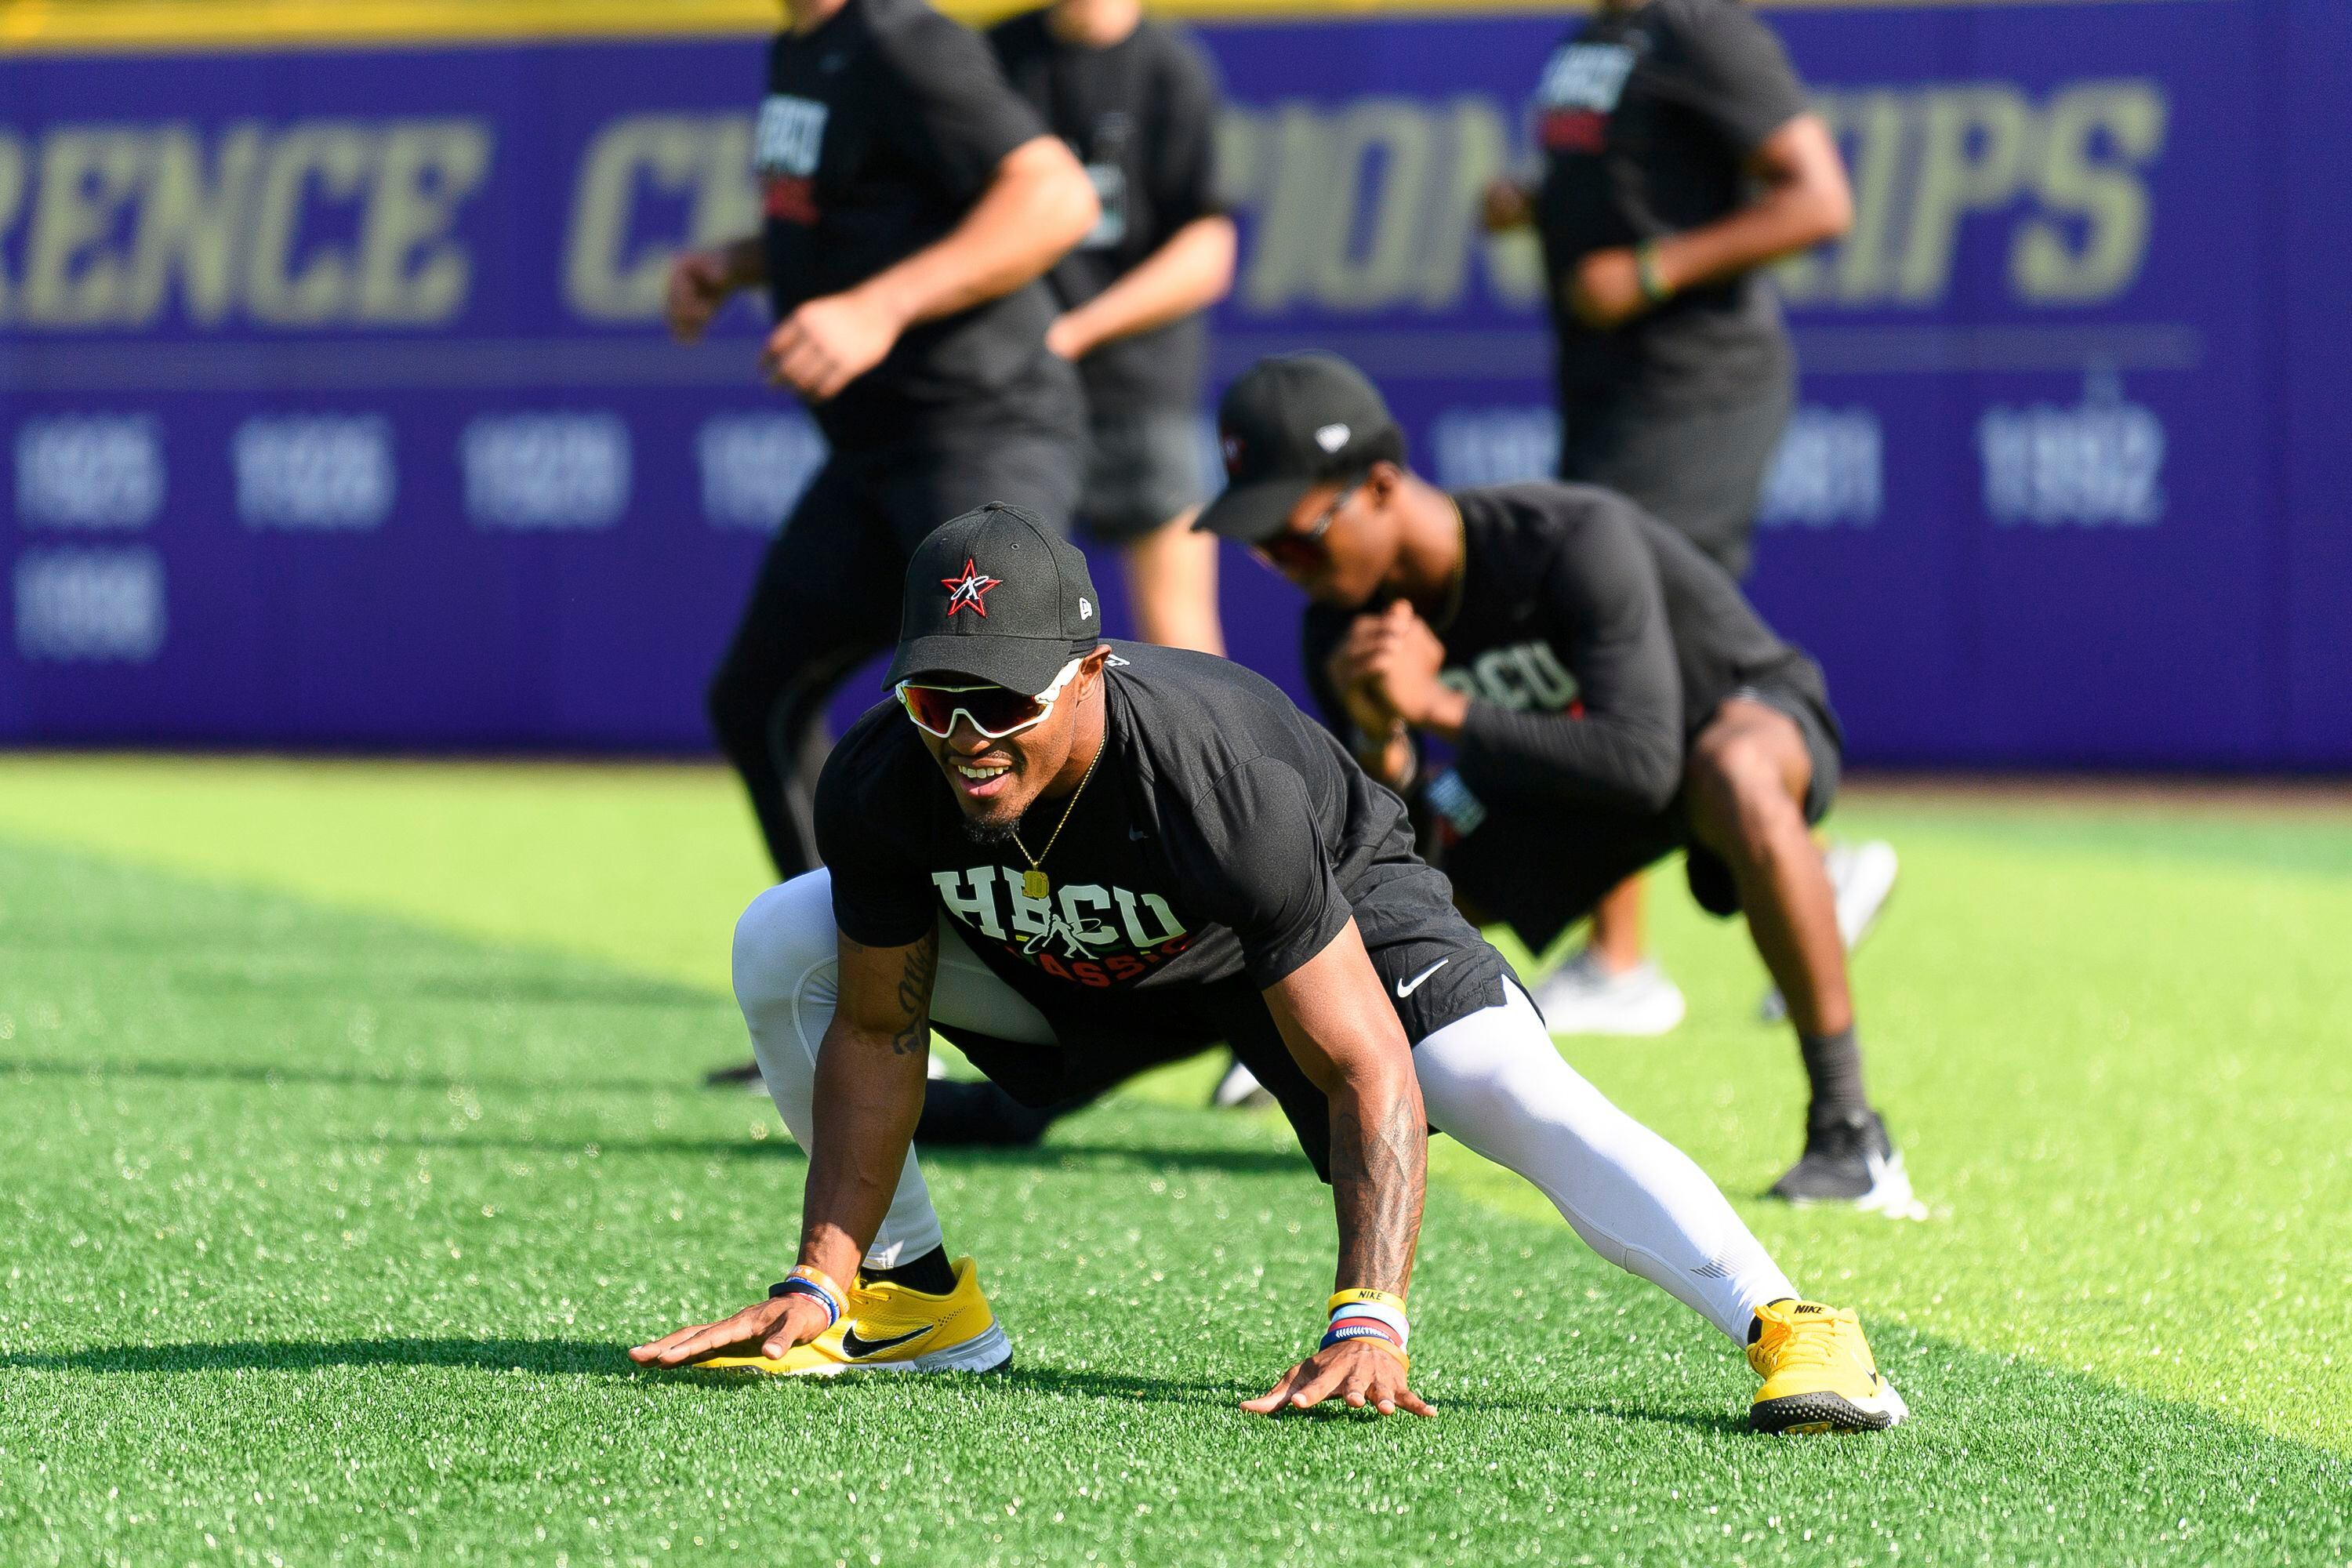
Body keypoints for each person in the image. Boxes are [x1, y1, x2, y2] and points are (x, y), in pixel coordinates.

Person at [630, 503, 1910, 1435]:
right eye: (936, 700)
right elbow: (870, 1032)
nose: (968, 739)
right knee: (783, 937)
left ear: (1088, 673)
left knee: (1498, 1086)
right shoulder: (882, 781)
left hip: (1330, 908)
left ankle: (1792, 1324)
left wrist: (1370, 1312)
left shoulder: (1203, 772)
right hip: (1099, 952)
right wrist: (823, 1264)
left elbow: (1363, 1066)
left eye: (1006, 701)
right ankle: (911, 1304)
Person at [1196, 351, 1915, 1215]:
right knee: (1404, 888)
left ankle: (1849, 1129)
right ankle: (1330, 1068)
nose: (1283, 562)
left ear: (1382, 485)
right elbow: (1394, 843)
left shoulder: (1567, 537)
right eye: (1262, 545)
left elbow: (1649, 757)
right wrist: (1384, 731)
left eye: (1297, 534)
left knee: (1735, 766)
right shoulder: (1341, 629)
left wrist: (1440, 705)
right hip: (1564, 779)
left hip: (1719, 725)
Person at [1481, 0, 1864, 1036]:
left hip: (1698, 389)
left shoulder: (1703, 26)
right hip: (1611, 389)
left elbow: (1821, 199)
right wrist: (1541, 205)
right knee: (1611, 639)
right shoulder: (1592, 40)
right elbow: (1631, 182)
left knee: (1613, 637)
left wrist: (1655, 270)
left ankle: (1622, 961)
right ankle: (1811, 876)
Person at [668, 0, 1099, 890]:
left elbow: (1056, 196)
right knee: (758, 699)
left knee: (1011, 710)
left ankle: (1098, 983)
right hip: (879, 447)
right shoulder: (804, 45)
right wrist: (740, 260)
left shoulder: (904, 40)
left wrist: (880, 306)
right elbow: (865, 212)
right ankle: (848, 973)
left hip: (981, 426)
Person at [990, 0, 1236, 655]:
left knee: (1180, 639)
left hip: (1140, 381)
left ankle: (1206, 763)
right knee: (996, 616)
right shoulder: (995, 57)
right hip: (1012, 387)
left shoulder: (1170, 68)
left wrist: (1080, 329)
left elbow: (1208, 250)